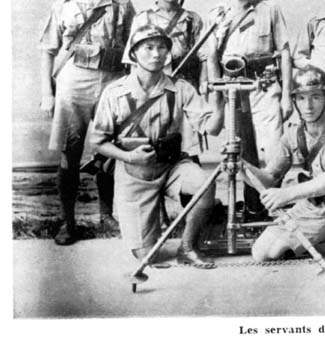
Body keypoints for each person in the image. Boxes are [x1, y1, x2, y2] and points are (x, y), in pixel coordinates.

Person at [86, 25, 224, 267]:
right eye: (148, 48)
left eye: (162, 48)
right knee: (147, 256)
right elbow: (98, 142)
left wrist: (221, 97)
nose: (156, 54)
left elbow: (211, 128)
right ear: (133, 53)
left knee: (204, 184)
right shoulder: (115, 92)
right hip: (134, 173)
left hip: (172, 166)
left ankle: (188, 247)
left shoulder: (181, 88)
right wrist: (130, 157)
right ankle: (156, 238)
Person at [40, 0, 136, 245]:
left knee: (109, 148)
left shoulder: (122, 3)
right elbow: (48, 50)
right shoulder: (65, 3)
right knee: (70, 151)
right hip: (75, 80)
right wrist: (47, 93)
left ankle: (106, 215)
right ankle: (68, 222)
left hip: (113, 79)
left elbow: (133, 47)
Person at [245, 65, 325, 276]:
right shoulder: (293, 134)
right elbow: (269, 179)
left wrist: (287, 194)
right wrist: (241, 166)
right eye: (301, 98)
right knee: (263, 252)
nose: (308, 106)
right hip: (314, 206)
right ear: (295, 101)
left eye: (315, 97)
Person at [202, 0, 292, 219]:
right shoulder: (217, 14)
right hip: (233, 89)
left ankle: (274, 205)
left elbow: (285, 52)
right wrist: (217, 101)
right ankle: (252, 208)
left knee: (274, 149)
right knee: (239, 149)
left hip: (264, 86)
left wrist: (286, 95)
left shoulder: (269, 9)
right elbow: (211, 58)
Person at [124, 0, 206, 157]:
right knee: (154, 141)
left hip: (185, 87)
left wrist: (203, 86)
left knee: (188, 146)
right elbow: (133, 61)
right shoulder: (143, 18)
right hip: (154, 88)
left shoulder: (192, 19)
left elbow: (204, 57)